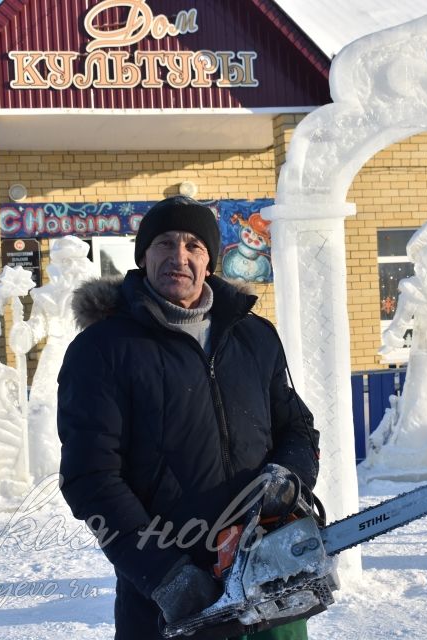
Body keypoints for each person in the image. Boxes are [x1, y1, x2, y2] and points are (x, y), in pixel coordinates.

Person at [57, 196, 320, 640]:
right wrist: (165, 575)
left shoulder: (254, 336)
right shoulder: (103, 349)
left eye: (194, 245)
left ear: (210, 261)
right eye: (165, 243)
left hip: (270, 572)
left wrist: (288, 476)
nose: (179, 256)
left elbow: (295, 427)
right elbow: (91, 478)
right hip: (172, 593)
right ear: (143, 255)